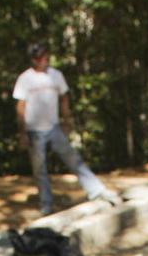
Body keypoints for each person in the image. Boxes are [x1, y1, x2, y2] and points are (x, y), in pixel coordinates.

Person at [13, 43, 118, 214]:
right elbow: (20, 106)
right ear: (33, 60)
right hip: (34, 130)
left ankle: (96, 190)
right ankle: (46, 204)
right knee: (40, 169)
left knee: (73, 159)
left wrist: (66, 121)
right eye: (40, 58)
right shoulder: (25, 78)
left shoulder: (56, 75)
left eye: (45, 57)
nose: (44, 61)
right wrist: (23, 132)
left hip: (54, 127)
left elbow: (64, 99)